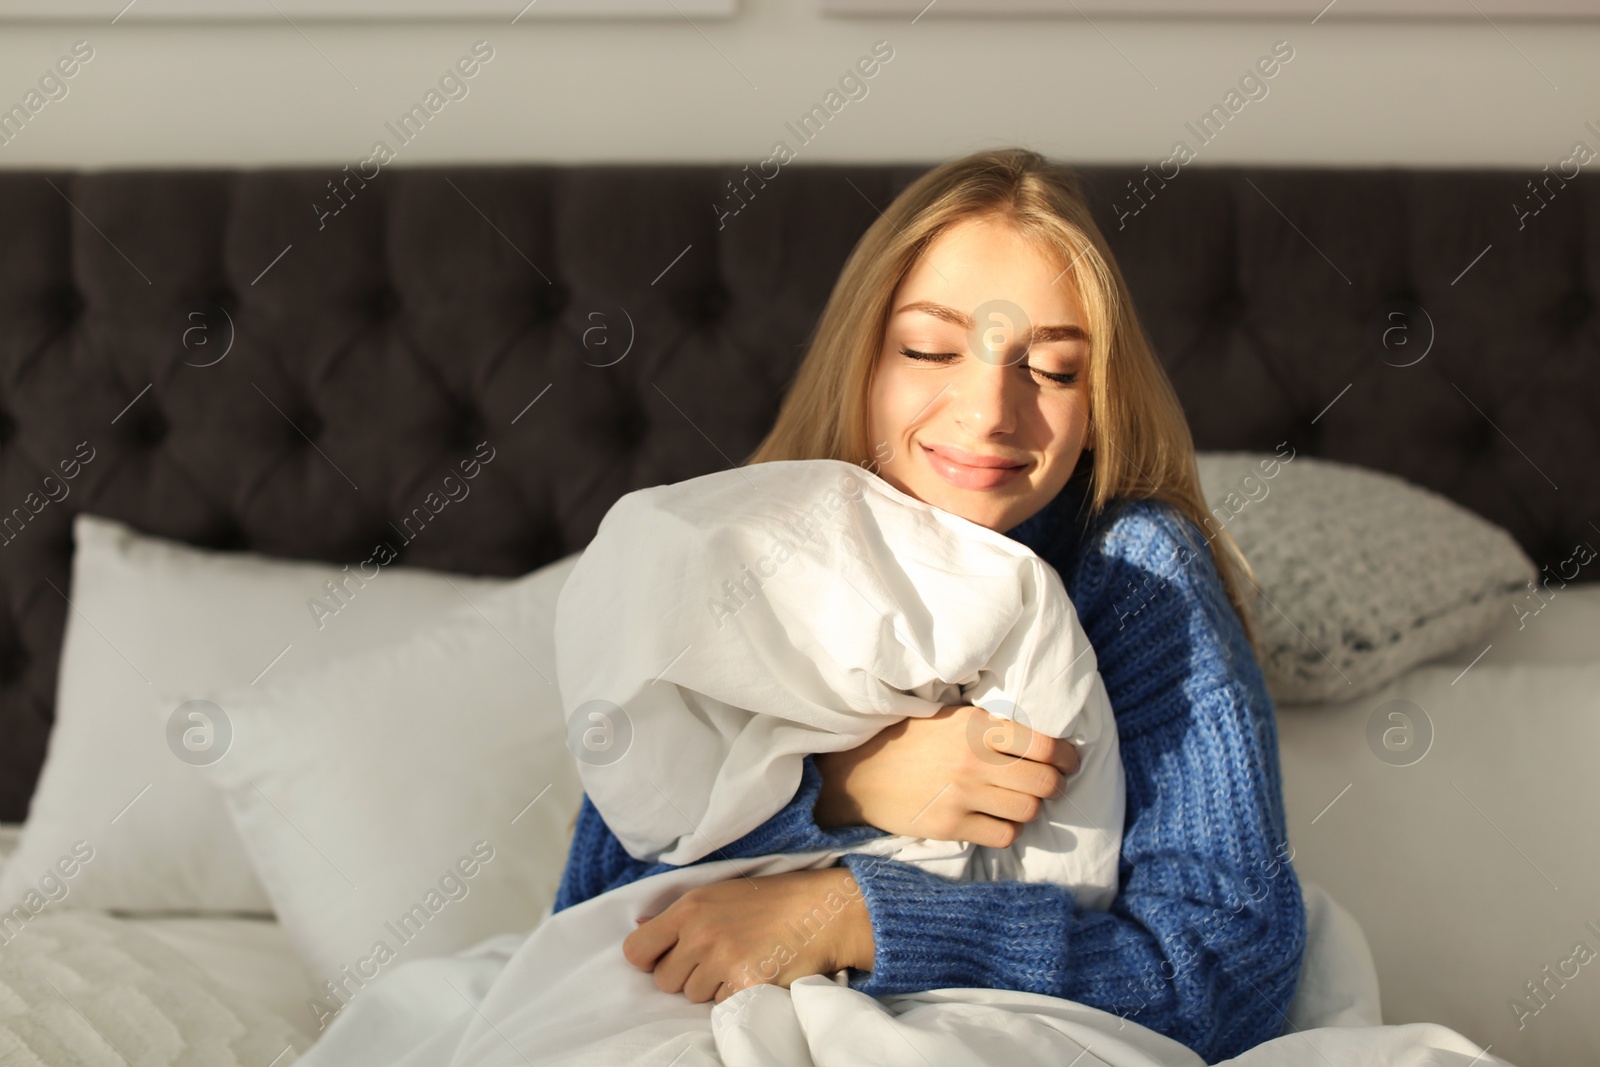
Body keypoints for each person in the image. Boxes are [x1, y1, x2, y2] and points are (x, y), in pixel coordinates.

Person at [552, 146, 1307, 1064]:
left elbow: (1226, 975)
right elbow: (593, 915)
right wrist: (838, 791)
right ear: (862, 359)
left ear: (1100, 397)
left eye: (1055, 369)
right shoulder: (737, 555)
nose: (990, 410)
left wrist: (854, 913)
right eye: (929, 349)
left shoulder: (1134, 575)